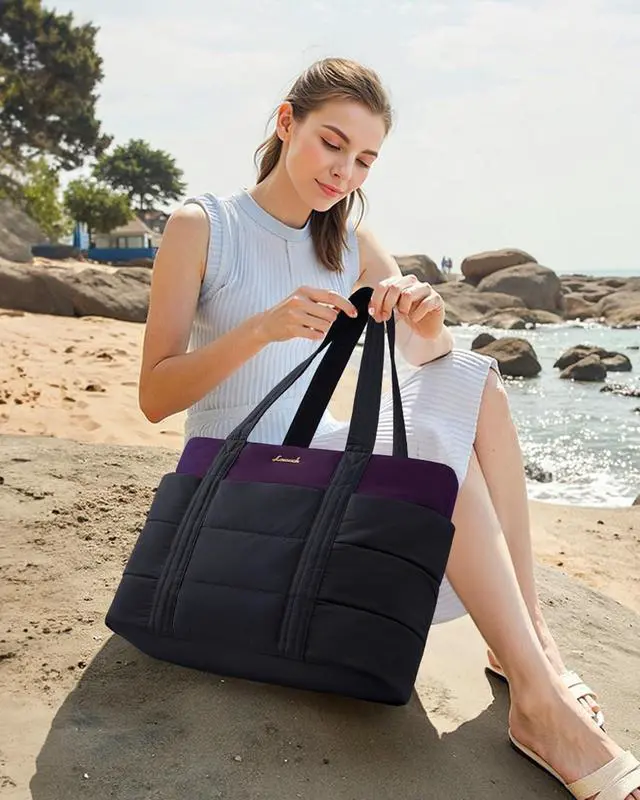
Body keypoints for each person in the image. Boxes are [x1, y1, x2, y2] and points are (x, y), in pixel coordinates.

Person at [138, 58, 639, 799]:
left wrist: (429, 326)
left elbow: (428, 363)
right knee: (437, 456)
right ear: (287, 123)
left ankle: (531, 646)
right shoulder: (202, 226)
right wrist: (262, 330)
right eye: (332, 144)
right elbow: (154, 396)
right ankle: (540, 702)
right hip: (234, 475)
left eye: (365, 159)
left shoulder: (349, 243)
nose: (344, 172)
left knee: (478, 379)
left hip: (315, 464)